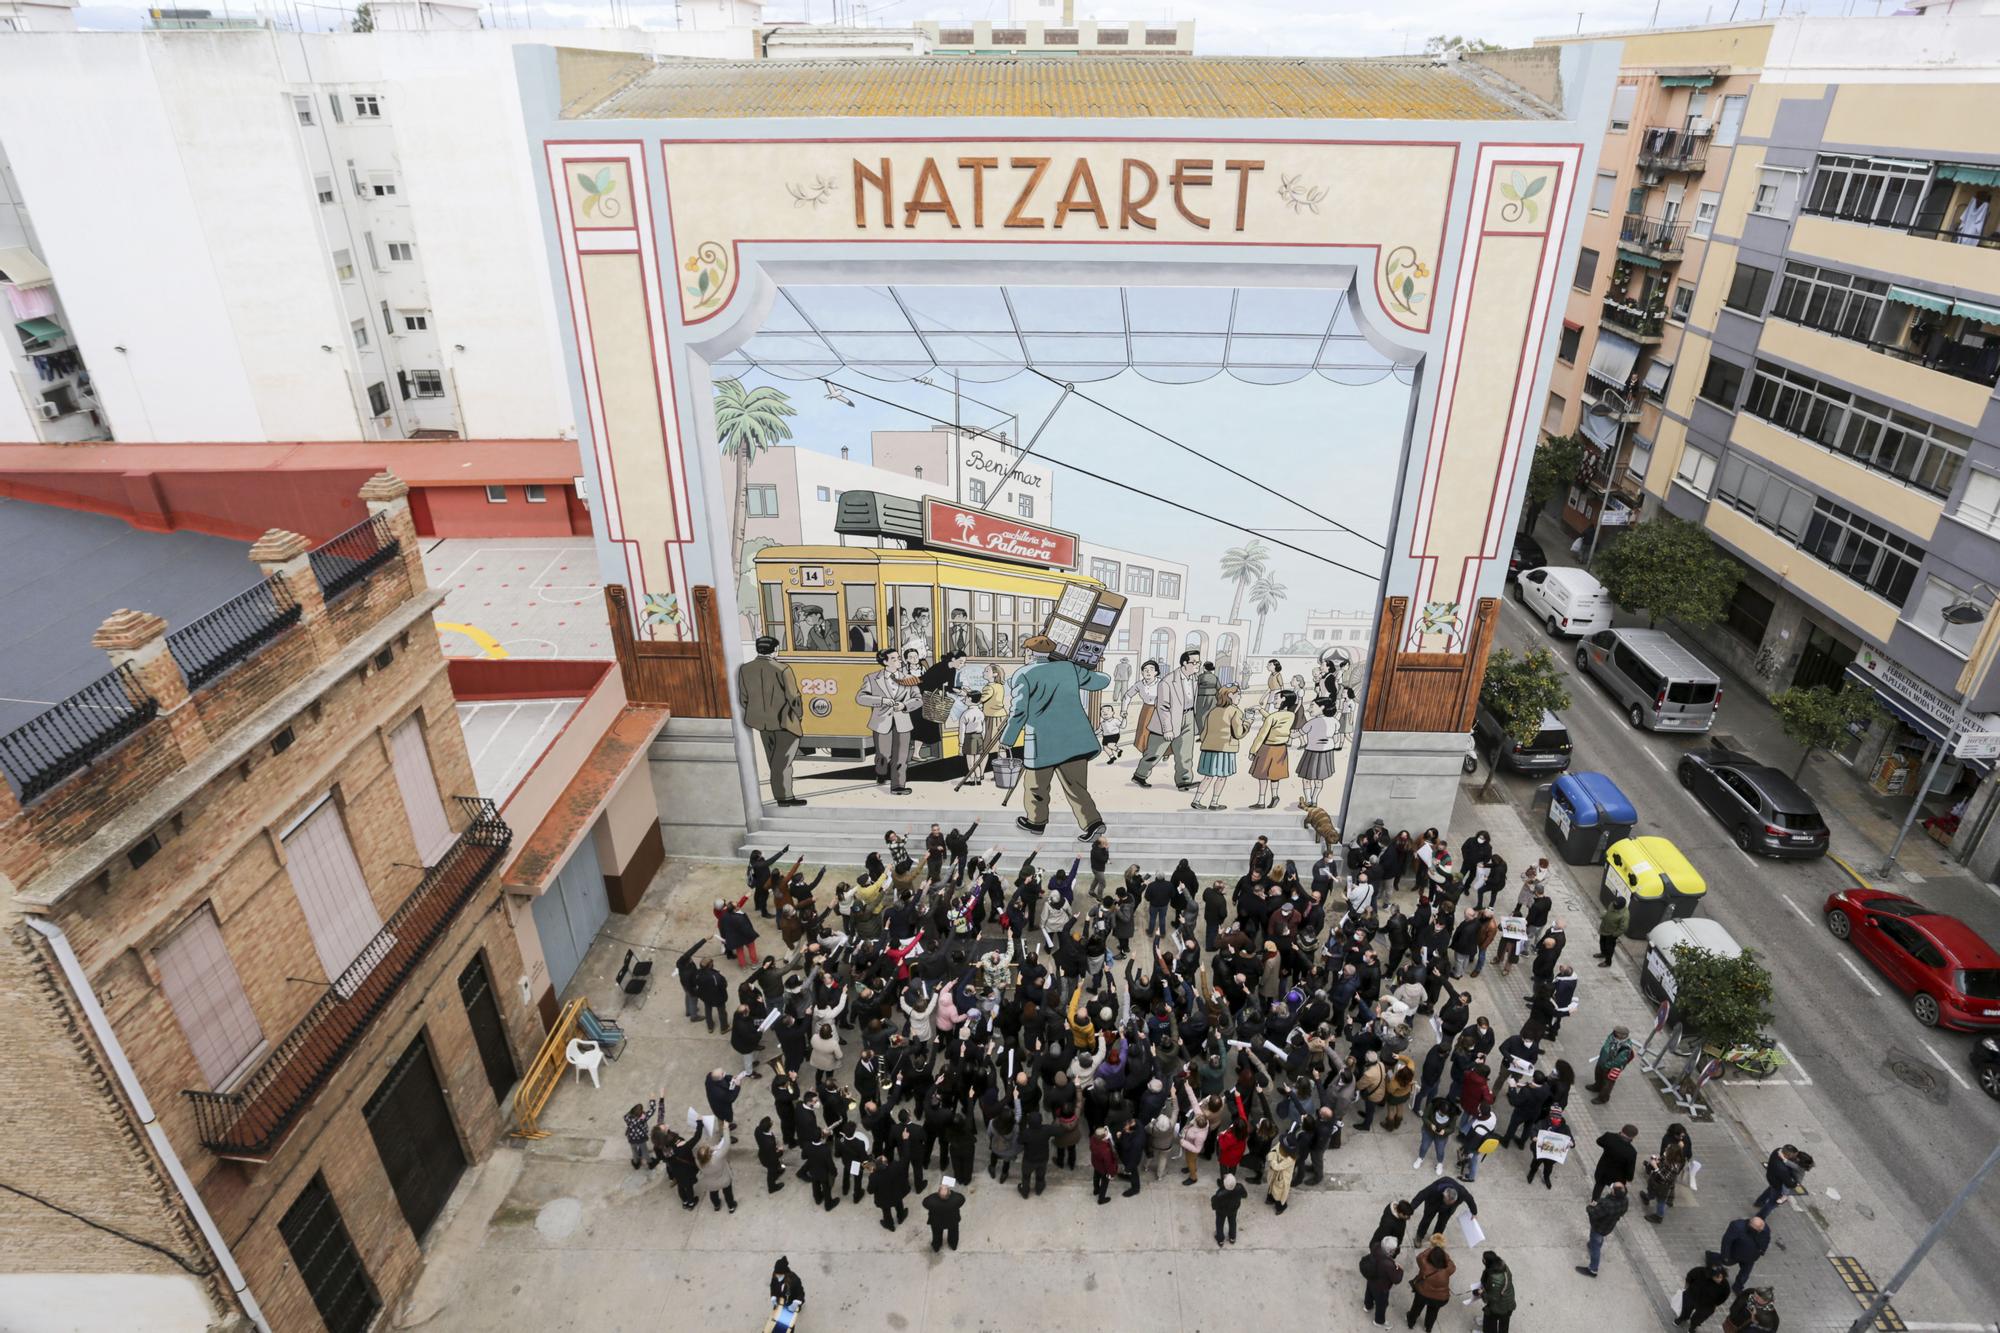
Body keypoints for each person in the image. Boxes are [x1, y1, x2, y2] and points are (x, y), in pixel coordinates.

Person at [998, 635, 1110, 841]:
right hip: (1075, 740)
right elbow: (1102, 681)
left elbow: (1018, 711)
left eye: (1026, 651)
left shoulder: (1023, 674)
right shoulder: (1069, 668)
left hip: (1043, 743)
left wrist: (1007, 739)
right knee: (1076, 786)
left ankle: (1036, 822)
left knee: (1036, 786)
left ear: (1030, 653)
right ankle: (1093, 823)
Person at [1133, 650, 1199, 791]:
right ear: (1184, 663)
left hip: (1188, 716)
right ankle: (1140, 775)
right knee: (1154, 753)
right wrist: (1167, 728)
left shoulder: (1194, 678)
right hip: (1167, 720)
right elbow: (1163, 707)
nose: (1197, 665)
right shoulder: (1168, 681)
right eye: (1194, 662)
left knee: (1185, 752)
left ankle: (1184, 781)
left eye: (1198, 662)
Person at [856, 649, 919, 794]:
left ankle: (898, 786)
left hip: (903, 722)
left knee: (901, 757)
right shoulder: (872, 678)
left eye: (898, 658)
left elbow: (918, 699)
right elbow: (860, 698)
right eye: (894, 659)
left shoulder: (909, 678)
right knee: (883, 755)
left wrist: (904, 705)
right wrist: (882, 701)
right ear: (885, 662)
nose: (899, 661)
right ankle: (881, 771)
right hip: (881, 722)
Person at [1193, 684, 1249, 811]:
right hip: (1225, 749)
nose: (1240, 697)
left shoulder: (1213, 711)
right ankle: (1214, 802)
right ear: (1230, 695)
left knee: (1207, 776)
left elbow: (1204, 732)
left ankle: (1196, 800)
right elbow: (1239, 734)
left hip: (1208, 748)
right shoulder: (1236, 711)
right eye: (1238, 694)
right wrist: (1247, 723)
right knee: (1221, 777)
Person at [1246, 689, 1297, 810]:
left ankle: (1261, 801)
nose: (1274, 701)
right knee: (1275, 775)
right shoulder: (1291, 715)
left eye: (1276, 698)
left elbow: (1261, 736)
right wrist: (1260, 710)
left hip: (1267, 748)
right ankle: (1275, 796)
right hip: (1281, 748)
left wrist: (1253, 750)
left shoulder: (1273, 717)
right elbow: (1274, 719)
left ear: (1283, 699)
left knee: (1262, 775)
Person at [964, 664, 1009, 785]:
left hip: (991, 719)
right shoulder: (1000, 686)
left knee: (985, 748)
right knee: (1001, 746)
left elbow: (979, 699)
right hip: (1002, 716)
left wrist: (967, 694)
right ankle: (1001, 773)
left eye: (987, 670)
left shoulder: (989, 687)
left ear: (995, 674)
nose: (984, 672)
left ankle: (981, 774)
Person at [1577, 1181, 1627, 1277]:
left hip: (1599, 1227)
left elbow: (1594, 1213)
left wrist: (1590, 1206)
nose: (1611, 1187)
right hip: (1609, 1226)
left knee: (1595, 1245)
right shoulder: (1625, 1200)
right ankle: (1592, 1245)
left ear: (1613, 1192)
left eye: (1612, 1187)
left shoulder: (1607, 1204)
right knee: (1598, 1239)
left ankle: (1593, 1269)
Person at [1406, 1236, 1456, 1331]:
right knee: (1432, 1312)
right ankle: (1428, 1328)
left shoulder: (1425, 1265)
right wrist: (1442, 1251)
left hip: (1422, 1293)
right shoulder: (1447, 1270)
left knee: (1416, 1309)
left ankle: (1410, 1323)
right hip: (1440, 1298)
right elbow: (1452, 1265)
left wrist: (1432, 1248)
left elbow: (1420, 1256)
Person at [1716, 1215, 1771, 1293]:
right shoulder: (1737, 1226)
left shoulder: (1764, 1228)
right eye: (1759, 1228)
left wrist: (1762, 1250)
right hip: (1735, 1254)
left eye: (1762, 1227)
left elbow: (1766, 1239)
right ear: (1751, 1226)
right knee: (1725, 1261)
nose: (1762, 1229)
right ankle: (1711, 1256)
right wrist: (1725, 1255)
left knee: (1745, 1274)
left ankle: (1737, 1287)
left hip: (1750, 1258)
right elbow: (1726, 1241)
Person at [1675, 1259, 1733, 1329]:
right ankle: (1682, 1318)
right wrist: (1686, 1289)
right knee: (1686, 1309)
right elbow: (1689, 1277)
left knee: (1699, 1318)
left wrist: (1714, 1304)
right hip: (1692, 1296)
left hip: (1707, 1305)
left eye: (1721, 1276)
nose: (1720, 1279)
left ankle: (1692, 1327)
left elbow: (1722, 1298)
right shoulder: (1699, 1272)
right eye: (1717, 1276)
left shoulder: (1725, 1286)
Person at [1359, 1236, 1404, 1326]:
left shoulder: (1376, 1247)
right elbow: (1397, 1279)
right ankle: (1379, 1321)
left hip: (1371, 1279)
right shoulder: (1388, 1264)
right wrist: (1400, 1269)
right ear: (1390, 1251)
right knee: (1381, 1304)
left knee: (1369, 1293)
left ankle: (1368, 1306)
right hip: (1381, 1287)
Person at [1411, 1178, 1475, 1240]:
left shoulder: (1462, 1192)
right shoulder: (1436, 1188)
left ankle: (1436, 1238)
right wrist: (1411, 1207)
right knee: (1427, 1219)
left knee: (1442, 1223)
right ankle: (1419, 1236)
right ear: (1444, 1195)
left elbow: (1470, 1199)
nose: (1447, 1203)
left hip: (1448, 1209)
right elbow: (1422, 1194)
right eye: (1446, 1201)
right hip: (1433, 1202)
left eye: (1449, 1202)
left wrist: (1474, 1212)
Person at [1752, 1144, 1806, 1219]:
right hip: (1778, 1184)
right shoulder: (1782, 1170)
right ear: (1788, 1156)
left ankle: (1759, 1202)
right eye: (1794, 1156)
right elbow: (1789, 1184)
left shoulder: (1777, 1150)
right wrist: (1796, 1184)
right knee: (1772, 1203)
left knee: (1769, 1190)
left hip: (1771, 1176)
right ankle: (1759, 1218)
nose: (1795, 1158)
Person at [1587, 1026, 1636, 1103]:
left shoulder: (1625, 1048)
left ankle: (1603, 1098)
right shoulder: (1612, 1037)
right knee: (1598, 1075)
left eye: (1617, 1032)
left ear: (1622, 1035)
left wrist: (1607, 1065)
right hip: (1602, 1062)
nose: (1614, 1032)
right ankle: (1597, 1086)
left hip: (1610, 1068)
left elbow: (1619, 1061)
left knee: (1608, 1084)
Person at [1592, 1123, 1639, 1200]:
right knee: (1616, 1193)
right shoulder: (1632, 1152)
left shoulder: (1609, 1136)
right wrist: (1629, 1178)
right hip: (1617, 1178)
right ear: (1633, 1137)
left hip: (1603, 1171)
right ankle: (1611, 1204)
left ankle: (1594, 1202)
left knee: (1598, 1187)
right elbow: (1630, 1171)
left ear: (1622, 1130)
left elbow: (1599, 1141)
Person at [1472, 1252, 1516, 1333]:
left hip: (1499, 1306)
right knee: (1504, 1322)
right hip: (1508, 1301)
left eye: (1484, 1259)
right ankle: (1486, 1323)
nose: (1483, 1260)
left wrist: (1481, 1292)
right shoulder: (1502, 1267)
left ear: (1488, 1262)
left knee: (1490, 1318)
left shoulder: (1494, 1280)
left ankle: (1487, 1329)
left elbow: (1492, 1297)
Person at [695, 1128, 738, 1213]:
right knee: (728, 1193)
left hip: (710, 1183)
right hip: (724, 1180)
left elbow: (704, 1157)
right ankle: (731, 1206)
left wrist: (710, 1150)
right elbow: (726, 1144)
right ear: (709, 1154)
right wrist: (725, 1129)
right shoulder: (717, 1158)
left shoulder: (698, 1161)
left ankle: (717, 1205)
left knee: (713, 1194)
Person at [923, 1180, 965, 1252]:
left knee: (936, 1235)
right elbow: (962, 1199)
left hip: (936, 1222)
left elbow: (925, 1202)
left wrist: (937, 1194)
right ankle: (953, 1245)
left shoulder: (932, 1201)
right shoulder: (955, 1199)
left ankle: (936, 1246)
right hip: (952, 1220)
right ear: (949, 1193)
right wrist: (951, 1192)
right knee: (954, 1233)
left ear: (938, 1193)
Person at [1211, 1171, 1247, 1247]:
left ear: (1224, 1184)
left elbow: (1214, 1205)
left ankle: (1220, 1240)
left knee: (1219, 1224)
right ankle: (1232, 1237)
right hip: (1234, 1209)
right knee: (1232, 1222)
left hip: (1221, 1212)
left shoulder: (1220, 1193)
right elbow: (1245, 1195)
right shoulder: (1239, 1187)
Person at [768, 1257, 805, 1326]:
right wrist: (773, 1296)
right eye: (776, 1274)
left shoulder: (795, 1280)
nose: (777, 1276)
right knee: (776, 1322)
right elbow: (772, 1286)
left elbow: (801, 1293)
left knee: (788, 1325)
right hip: (780, 1301)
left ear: (785, 1273)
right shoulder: (775, 1275)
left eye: (779, 1274)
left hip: (790, 1302)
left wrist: (796, 1303)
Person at [1597, 895, 1629, 966]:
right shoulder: (1612, 904)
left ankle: (1608, 962)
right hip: (1604, 928)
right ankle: (1603, 953)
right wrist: (1603, 915)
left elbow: (1623, 928)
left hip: (1611, 934)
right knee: (1602, 942)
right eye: (1614, 903)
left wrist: (1614, 934)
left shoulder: (1624, 915)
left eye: (1616, 905)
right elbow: (1608, 912)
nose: (1614, 905)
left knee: (1609, 948)